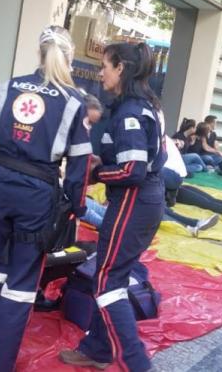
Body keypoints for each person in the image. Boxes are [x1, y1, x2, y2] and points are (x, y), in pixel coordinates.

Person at [0, 26, 92, 372]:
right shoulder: (74, 101)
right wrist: (74, 208)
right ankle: (0, 364)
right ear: (70, 58)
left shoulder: (9, 87)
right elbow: (78, 167)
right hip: (37, 194)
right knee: (20, 283)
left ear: (39, 53)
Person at [59, 41, 165, 371]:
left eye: (105, 64)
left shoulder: (131, 113)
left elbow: (132, 170)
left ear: (121, 68)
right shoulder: (139, 105)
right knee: (109, 274)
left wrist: (96, 172)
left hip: (134, 203)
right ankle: (98, 349)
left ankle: (135, 364)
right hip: (141, 202)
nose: (100, 71)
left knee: (107, 283)